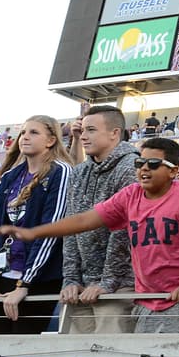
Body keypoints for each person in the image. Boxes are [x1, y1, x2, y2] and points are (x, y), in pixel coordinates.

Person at [0, 137, 179, 332]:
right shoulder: (131, 194)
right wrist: (34, 232)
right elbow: (85, 220)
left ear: (172, 170)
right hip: (147, 299)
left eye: (153, 164)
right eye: (140, 163)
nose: (144, 169)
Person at [0, 115, 72, 333]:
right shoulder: (10, 177)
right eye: (23, 132)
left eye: (34, 132)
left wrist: (25, 283)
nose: (25, 137)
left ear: (51, 140)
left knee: (24, 349)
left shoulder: (60, 172)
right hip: (3, 277)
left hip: (39, 280)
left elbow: (50, 231)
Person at [60, 105, 139, 334]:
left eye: (91, 130)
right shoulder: (78, 172)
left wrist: (107, 282)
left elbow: (124, 231)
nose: (83, 136)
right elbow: (71, 227)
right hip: (82, 287)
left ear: (115, 133)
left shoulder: (131, 168)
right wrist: (71, 278)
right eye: (83, 129)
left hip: (120, 286)